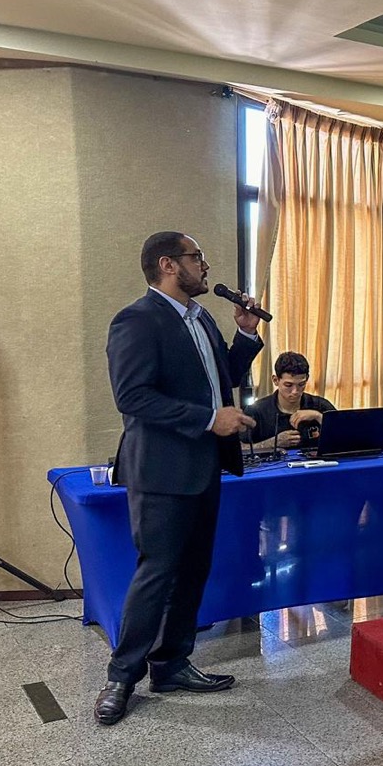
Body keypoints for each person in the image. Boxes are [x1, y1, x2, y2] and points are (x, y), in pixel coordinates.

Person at [94, 232, 264, 726]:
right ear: (168, 264)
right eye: (197, 257)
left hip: (204, 467)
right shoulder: (136, 320)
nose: (205, 266)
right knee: (157, 573)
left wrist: (246, 336)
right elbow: (132, 397)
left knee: (192, 571)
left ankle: (170, 664)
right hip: (161, 471)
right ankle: (121, 677)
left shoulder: (202, 317)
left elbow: (221, 377)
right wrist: (210, 420)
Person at [246, 351, 336, 453]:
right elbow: (239, 448)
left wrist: (319, 417)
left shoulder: (320, 405)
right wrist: (272, 443)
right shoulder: (257, 411)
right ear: (275, 380)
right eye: (288, 385)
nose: (295, 391)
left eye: (301, 384)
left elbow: (345, 437)